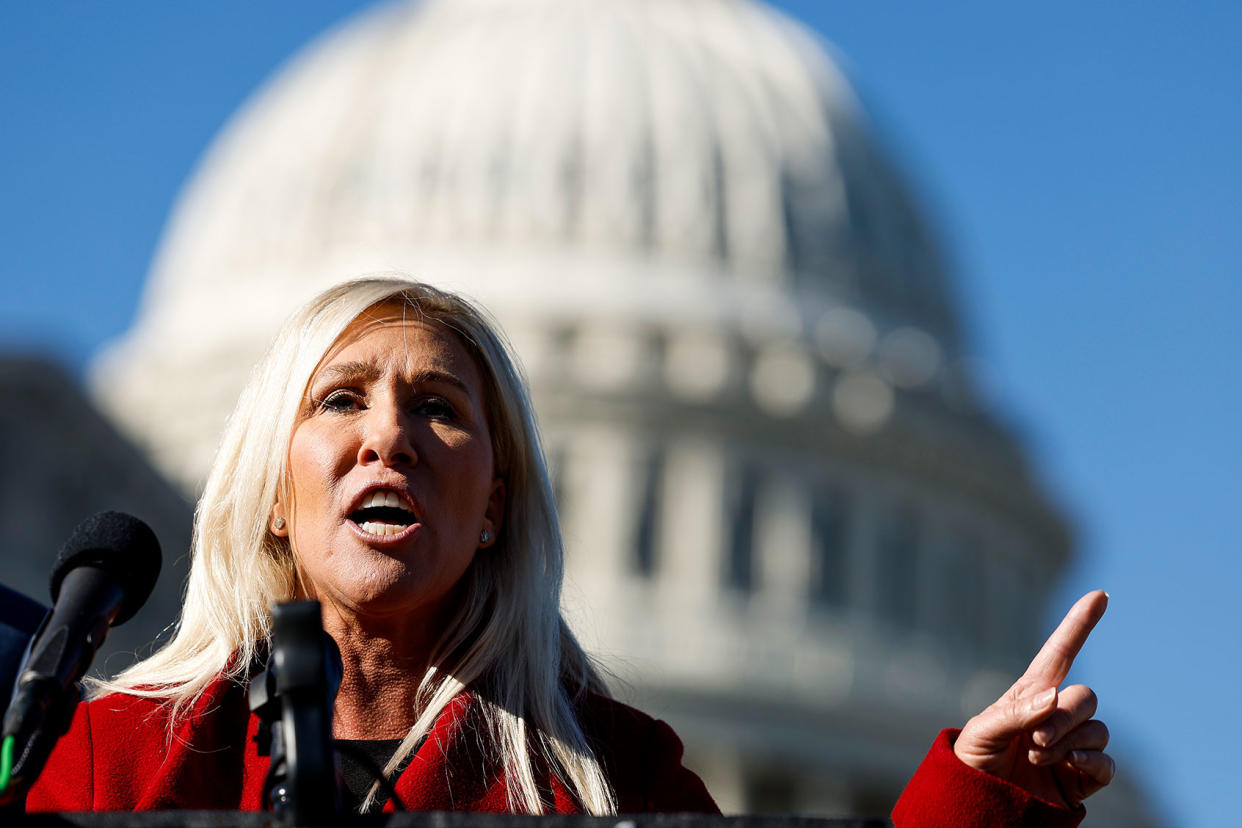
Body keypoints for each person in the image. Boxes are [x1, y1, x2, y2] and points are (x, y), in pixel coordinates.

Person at [26, 277, 1113, 824]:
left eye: (440, 410)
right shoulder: (108, 759)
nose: (388, 437)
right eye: (342, 400)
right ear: (272, 493)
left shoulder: (612, 775)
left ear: (496, 505)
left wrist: (977, 796)